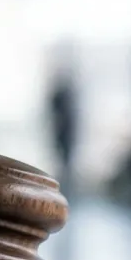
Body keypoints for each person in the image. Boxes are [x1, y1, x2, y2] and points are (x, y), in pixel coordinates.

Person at [47, 58, 81, 196]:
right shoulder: (63, 94)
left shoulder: (65, 95)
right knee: (63, 162)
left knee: (65, 162)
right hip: (63, 134)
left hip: (65, 135)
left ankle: (66, 189)